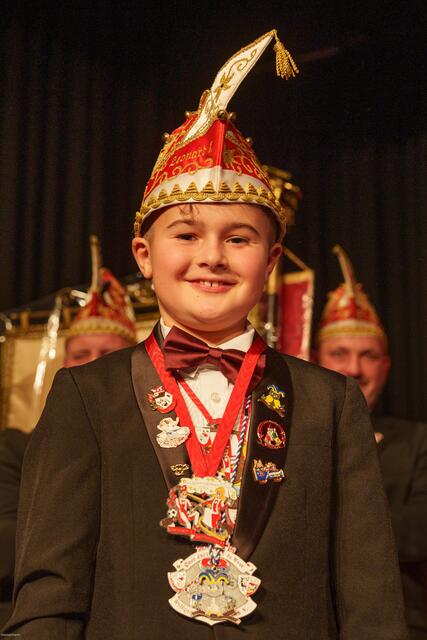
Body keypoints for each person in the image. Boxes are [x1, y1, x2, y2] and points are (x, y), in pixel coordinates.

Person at [2, 30, 408, 639]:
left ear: (271, 262)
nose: (212, 256)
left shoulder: (331, 401)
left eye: (239, 238)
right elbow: (49, 593)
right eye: (187, 235)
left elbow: (370, 600)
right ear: (144, 255)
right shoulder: (86, 395)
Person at [0, 237, 136, 628]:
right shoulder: (14, 449)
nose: (93, 366)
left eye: (108, 355)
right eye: (81, 355)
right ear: (64, 366)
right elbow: (6, 545)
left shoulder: (164, 446)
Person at [317, 244, 427, 639]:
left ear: (386, 365)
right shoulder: (288, 437)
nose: (354, 368)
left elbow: (420, 531)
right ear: (314, 359)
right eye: (339, 353)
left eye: (369, 356)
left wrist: (319, 524)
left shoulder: (417, 441)